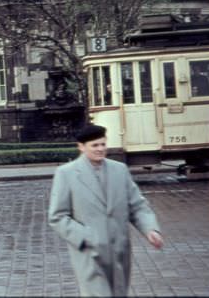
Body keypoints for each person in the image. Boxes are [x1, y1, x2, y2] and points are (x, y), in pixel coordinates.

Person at [48, 124, 164, 296]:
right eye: (95, 145)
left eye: (103, 144)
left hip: (119, 250)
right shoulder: (67, 173)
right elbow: (57, 216)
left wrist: (150, 229)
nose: (100, 149)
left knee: (118, 293)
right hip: (89, 252)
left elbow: (137, 205)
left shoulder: (119, 170)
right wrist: (87, 237)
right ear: (81, 147)